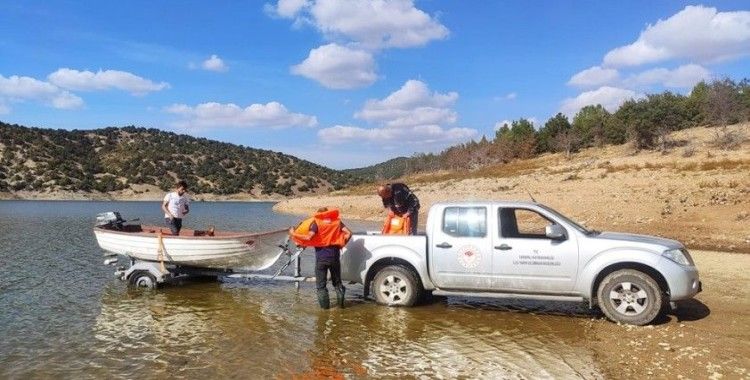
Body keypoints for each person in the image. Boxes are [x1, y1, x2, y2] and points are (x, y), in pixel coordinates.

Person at [289, 207, 352, 309]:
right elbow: (349, 233)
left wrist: (293, 233)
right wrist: (342, 244)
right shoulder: (337, 222)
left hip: (321, 258)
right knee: (337, 284)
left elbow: (309, 237)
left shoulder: (317, 223)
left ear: (319, 215)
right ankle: (341, 307)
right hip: (335, 257)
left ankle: (325, 311)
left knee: (321, 286)